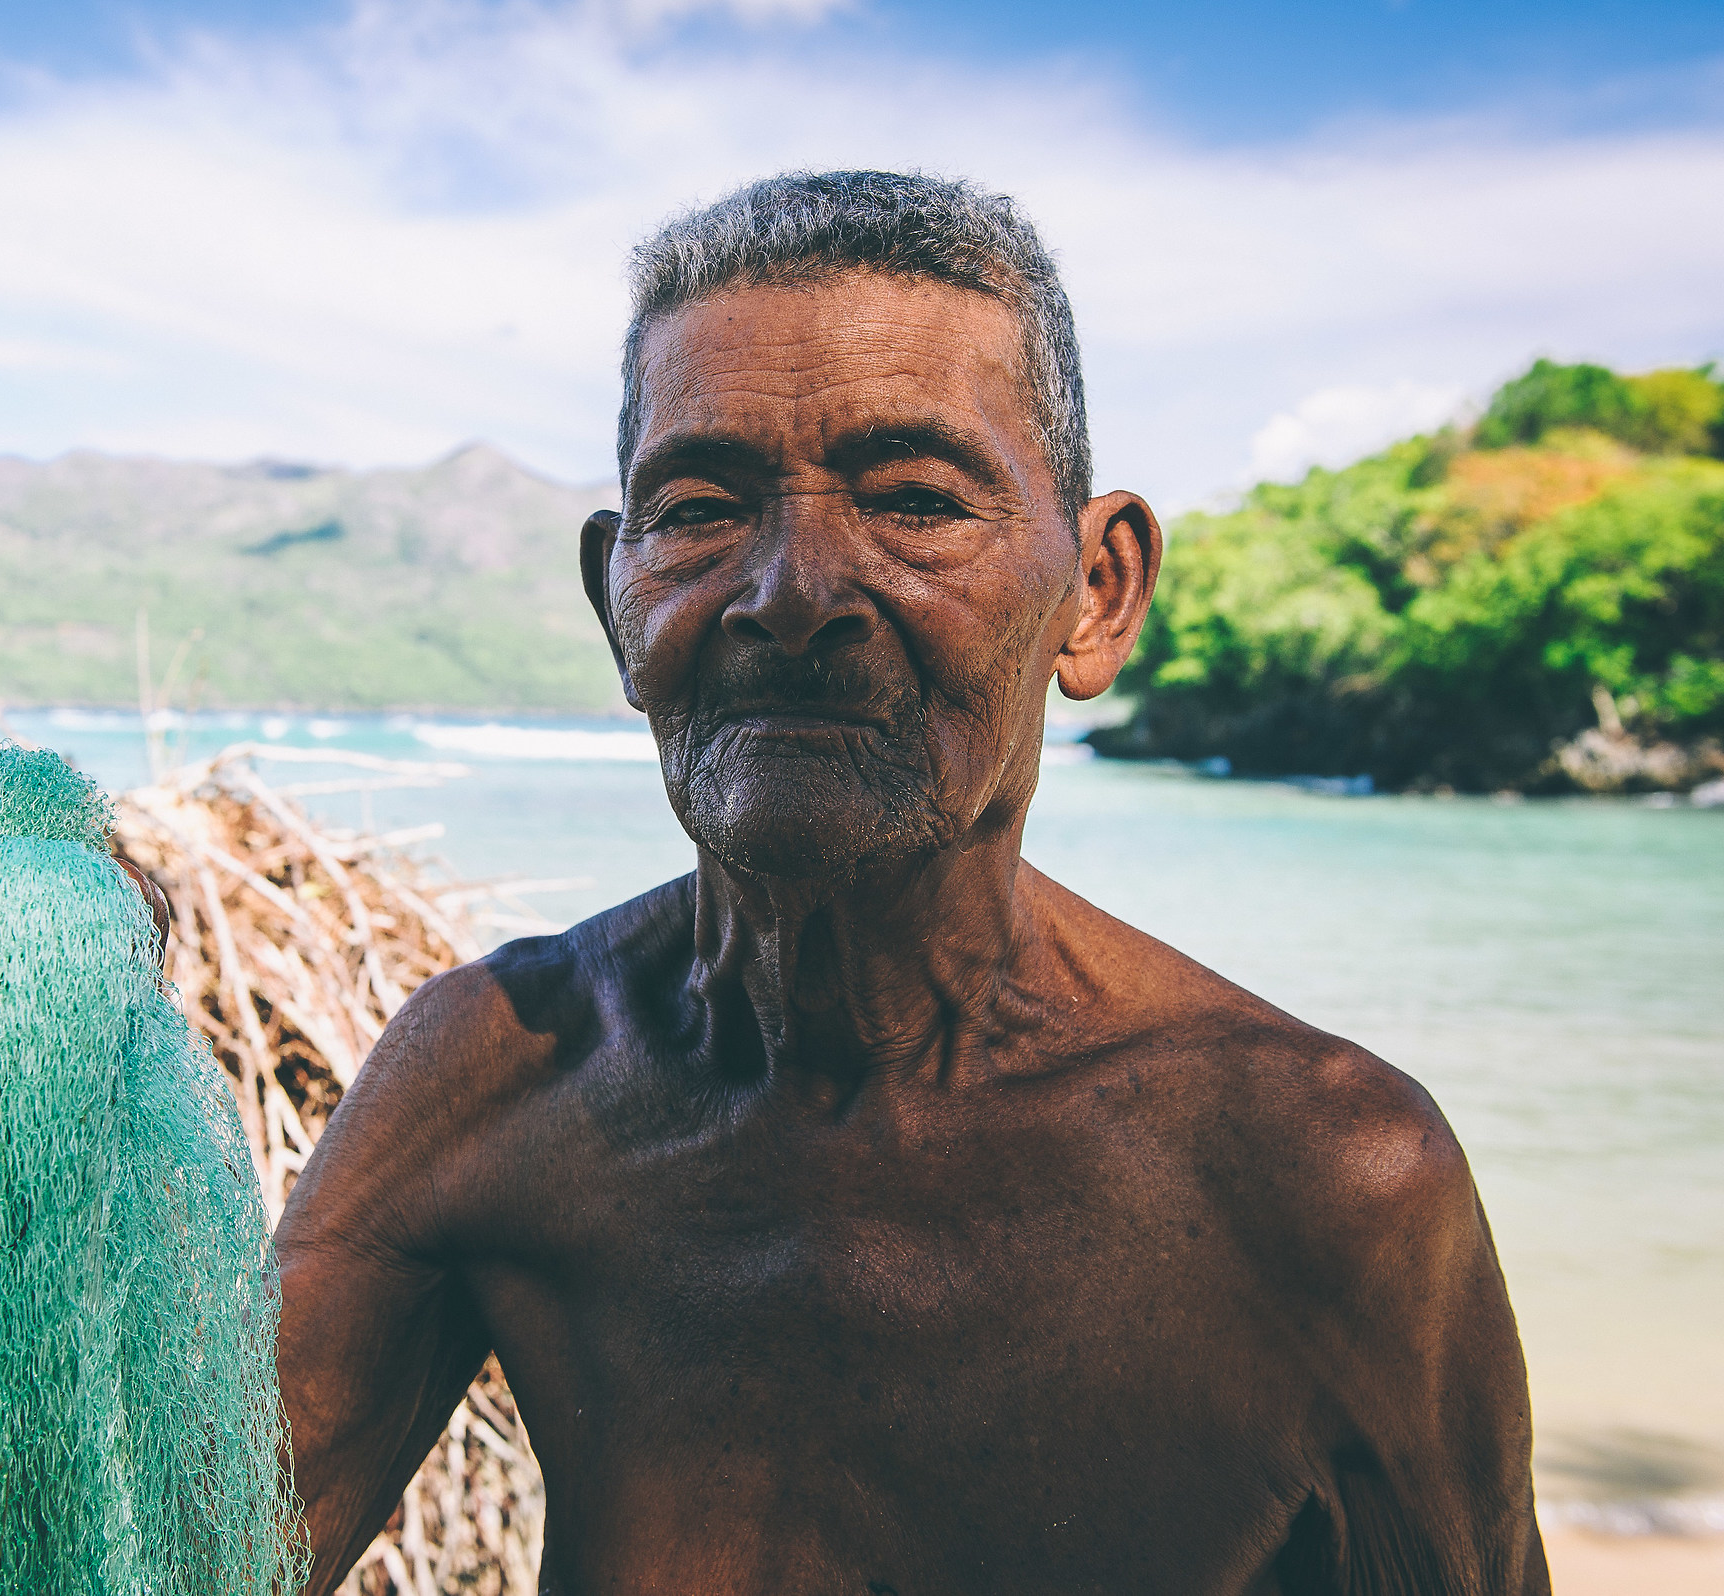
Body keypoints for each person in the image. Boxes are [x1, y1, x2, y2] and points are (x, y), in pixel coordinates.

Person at [273, 171, 1547, 1595]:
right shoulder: (492, 1085)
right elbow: (179, 1560)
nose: (793, 590)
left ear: (1098, 592)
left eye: (918, 502)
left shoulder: (1322, 1176)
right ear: (614, 598)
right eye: (699, 510)